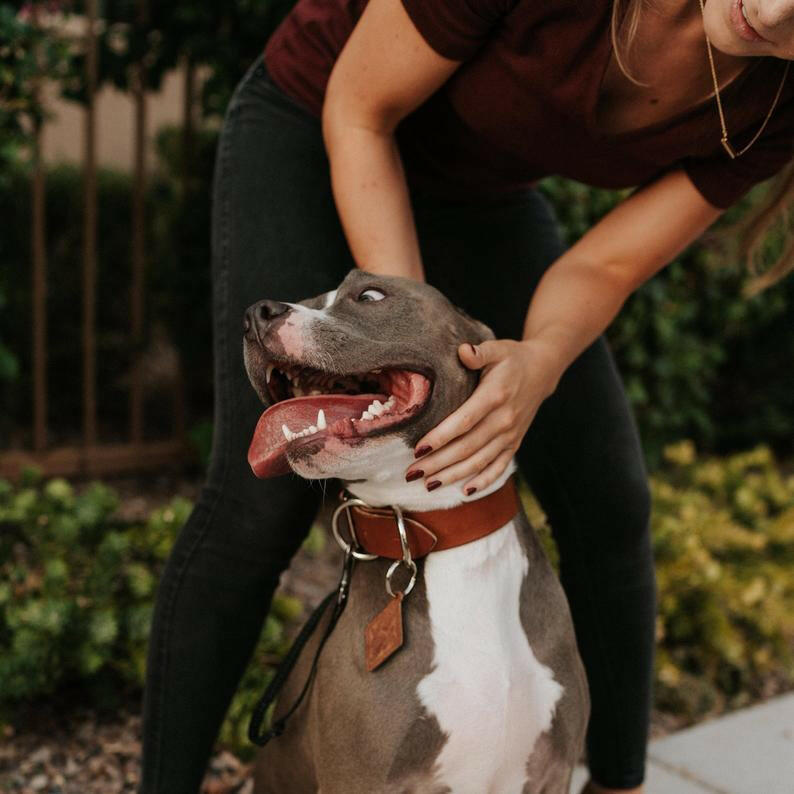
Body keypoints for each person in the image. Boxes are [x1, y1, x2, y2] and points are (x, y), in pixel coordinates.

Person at [139, 0, 794, 791]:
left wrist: (541, 360)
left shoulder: (778, 97)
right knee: (260, 501)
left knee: (606, 495)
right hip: (324, 122)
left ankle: (617, 783)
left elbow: (605, 269)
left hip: (480, 195)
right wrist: (409, 347)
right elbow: (361, 109)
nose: (772, 11)